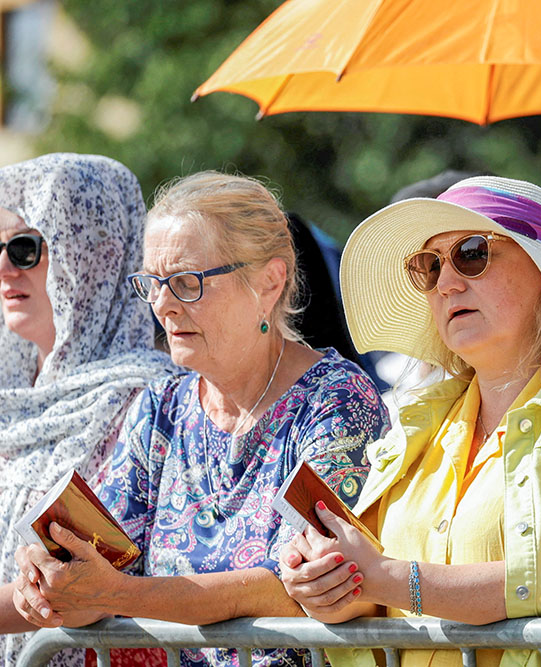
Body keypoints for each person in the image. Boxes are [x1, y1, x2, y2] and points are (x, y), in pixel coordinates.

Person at [277, 176, 541, 666]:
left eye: (471, 252)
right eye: (429, 265)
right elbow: (373, 594)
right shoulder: (413, 428)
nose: (447, 282)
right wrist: (327, 584)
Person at [11, 171, 389, 667]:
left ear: (269, 282)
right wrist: (50, 576)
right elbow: (104, 560)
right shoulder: (161, 407)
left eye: (187, 283)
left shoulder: (337, 401)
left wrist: (117, 595)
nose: (164, 306)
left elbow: (303, 586)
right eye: (152, 283)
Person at [0, 153, 175, 665]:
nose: (5, 266)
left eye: (26, 248)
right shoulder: (10, 402)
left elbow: (96, 576)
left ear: (94, 255)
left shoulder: (153, 398)